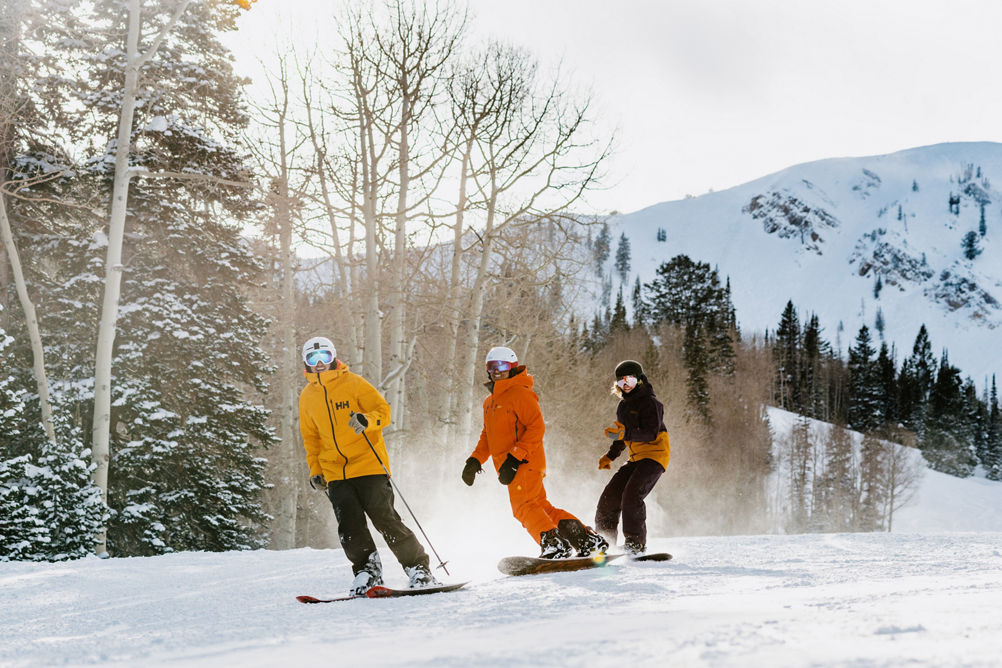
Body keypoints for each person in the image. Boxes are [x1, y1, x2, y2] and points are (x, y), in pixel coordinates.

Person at [298, 336, 439, 595]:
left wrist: (366, 420)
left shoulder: (353, 383)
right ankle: (367, 571)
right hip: (335, 471)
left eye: (324, 358)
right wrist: (315, 470)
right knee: (349, 526)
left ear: (333, 358)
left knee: (385, 519)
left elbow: (383, 411)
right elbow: (311, 438)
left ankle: (419, 568)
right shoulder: (307, 397)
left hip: (368, 464)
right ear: (306, 363)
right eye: (313, 359)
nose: (319, 364)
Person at [461, 346, 608, 559]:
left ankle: (554, 544)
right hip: (510, 466)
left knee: (523, 506)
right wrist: (475, 461)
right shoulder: (490, 402)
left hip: (524, 462)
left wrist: (514, 458)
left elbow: (537, 427)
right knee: (541, 507)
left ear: (512, 367)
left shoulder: (520, 393)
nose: (496, 371)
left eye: (501, 366)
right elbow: (487, 436)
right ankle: (586, 540)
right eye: (491, 367)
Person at [595, 360, 670, 555]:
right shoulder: (623, 407)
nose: (625, 384)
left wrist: (624, 434)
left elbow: (650, 433)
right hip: (636, 458)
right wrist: (609, 456)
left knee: (631, 495)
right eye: (620, 382)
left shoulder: (651, 403)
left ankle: (635, 543)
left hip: (655, 457)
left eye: (628, 379)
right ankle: (604, 544)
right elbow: (622, 436)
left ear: (638, 379)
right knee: (609, 498)